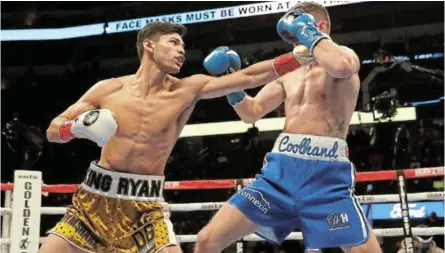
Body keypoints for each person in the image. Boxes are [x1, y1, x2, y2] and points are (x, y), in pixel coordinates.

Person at [39, 20, 308, 253]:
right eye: (174, 42)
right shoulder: (108, 90)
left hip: (145, 207)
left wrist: (299, 58)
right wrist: (75, 128)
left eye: (183, 45)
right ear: (149, 45)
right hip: (93, 202)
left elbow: (248, 77)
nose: (182, 50)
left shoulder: (187, 90)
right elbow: (53, 131)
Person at [194, 3, 383, 253]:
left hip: (325, 176)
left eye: (297, 33)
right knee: (207, 240)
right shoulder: (290, 71)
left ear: (320, 27)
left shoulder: (343, 56)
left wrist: (309, 32)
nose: (294, 42)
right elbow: (251, 112)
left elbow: (342, 66)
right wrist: (231, 83)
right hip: (279, 173)